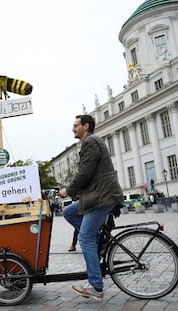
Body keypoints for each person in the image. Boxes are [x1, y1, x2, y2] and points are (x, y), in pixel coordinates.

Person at [58, 114, 123, 301]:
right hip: (96, 194)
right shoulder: (92, 142)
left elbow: (85, 172)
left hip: (101, 196)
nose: (73, 128)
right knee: (69, 212)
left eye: (75, 125)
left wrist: (68, 191)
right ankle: (97, 242)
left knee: (84, 238)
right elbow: (90, 173)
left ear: (85, 126)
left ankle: (96, 286)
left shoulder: (90, 142)